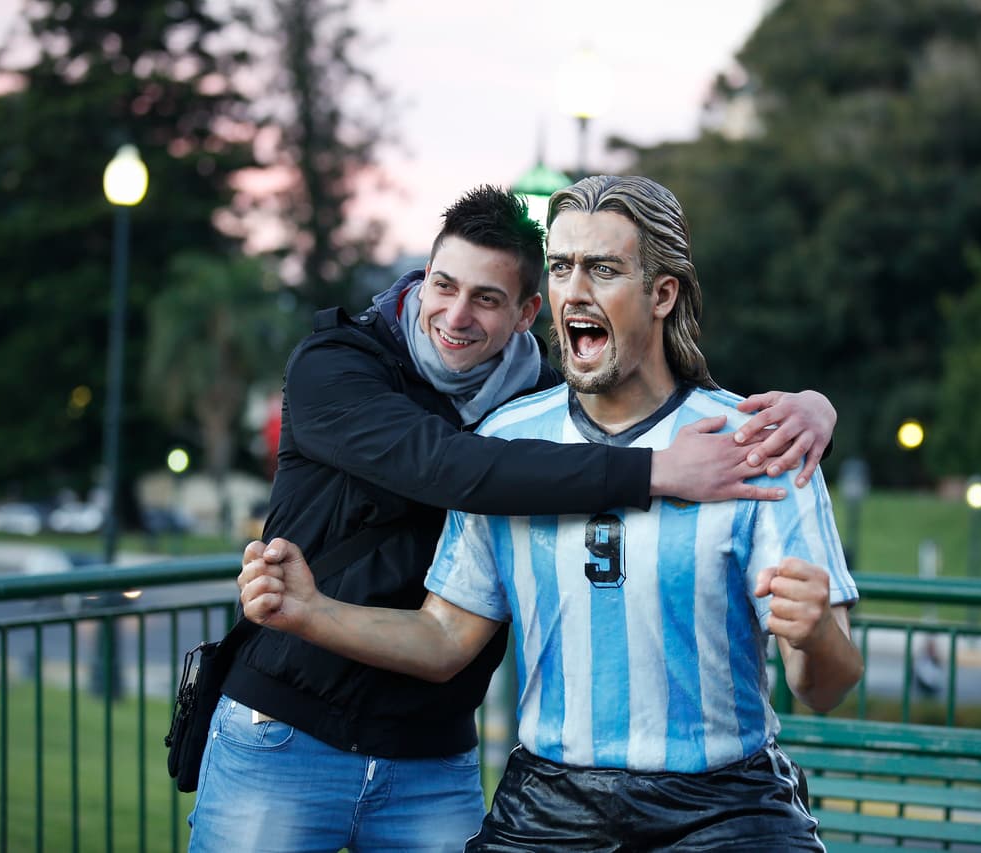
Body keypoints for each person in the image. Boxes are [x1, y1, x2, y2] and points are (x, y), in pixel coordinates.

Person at [192, 184, 839, 853]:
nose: (455, 313)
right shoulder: (341, 368)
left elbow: (642, 396)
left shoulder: (547, 407)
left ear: (527, 313)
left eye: (488, 298)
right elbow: (454, 470)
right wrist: (654, 471)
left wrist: (816, 407)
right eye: (442, 284)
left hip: (433, 753)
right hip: (293, 725)